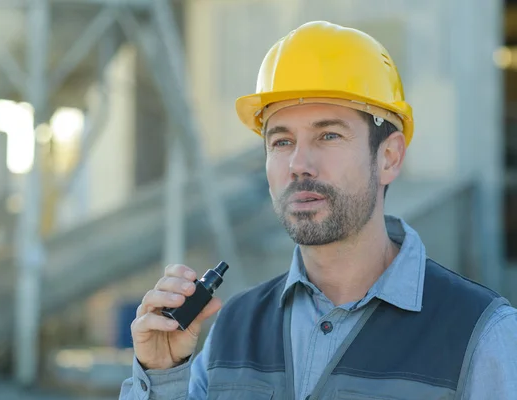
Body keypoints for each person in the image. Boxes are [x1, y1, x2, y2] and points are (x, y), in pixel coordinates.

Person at [119, 21, 517, 399]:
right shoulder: (232, 328)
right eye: (281, 141)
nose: (299, 163)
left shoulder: (481, 334)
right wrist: (161, 376)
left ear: (389, 157)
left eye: (328, 135)